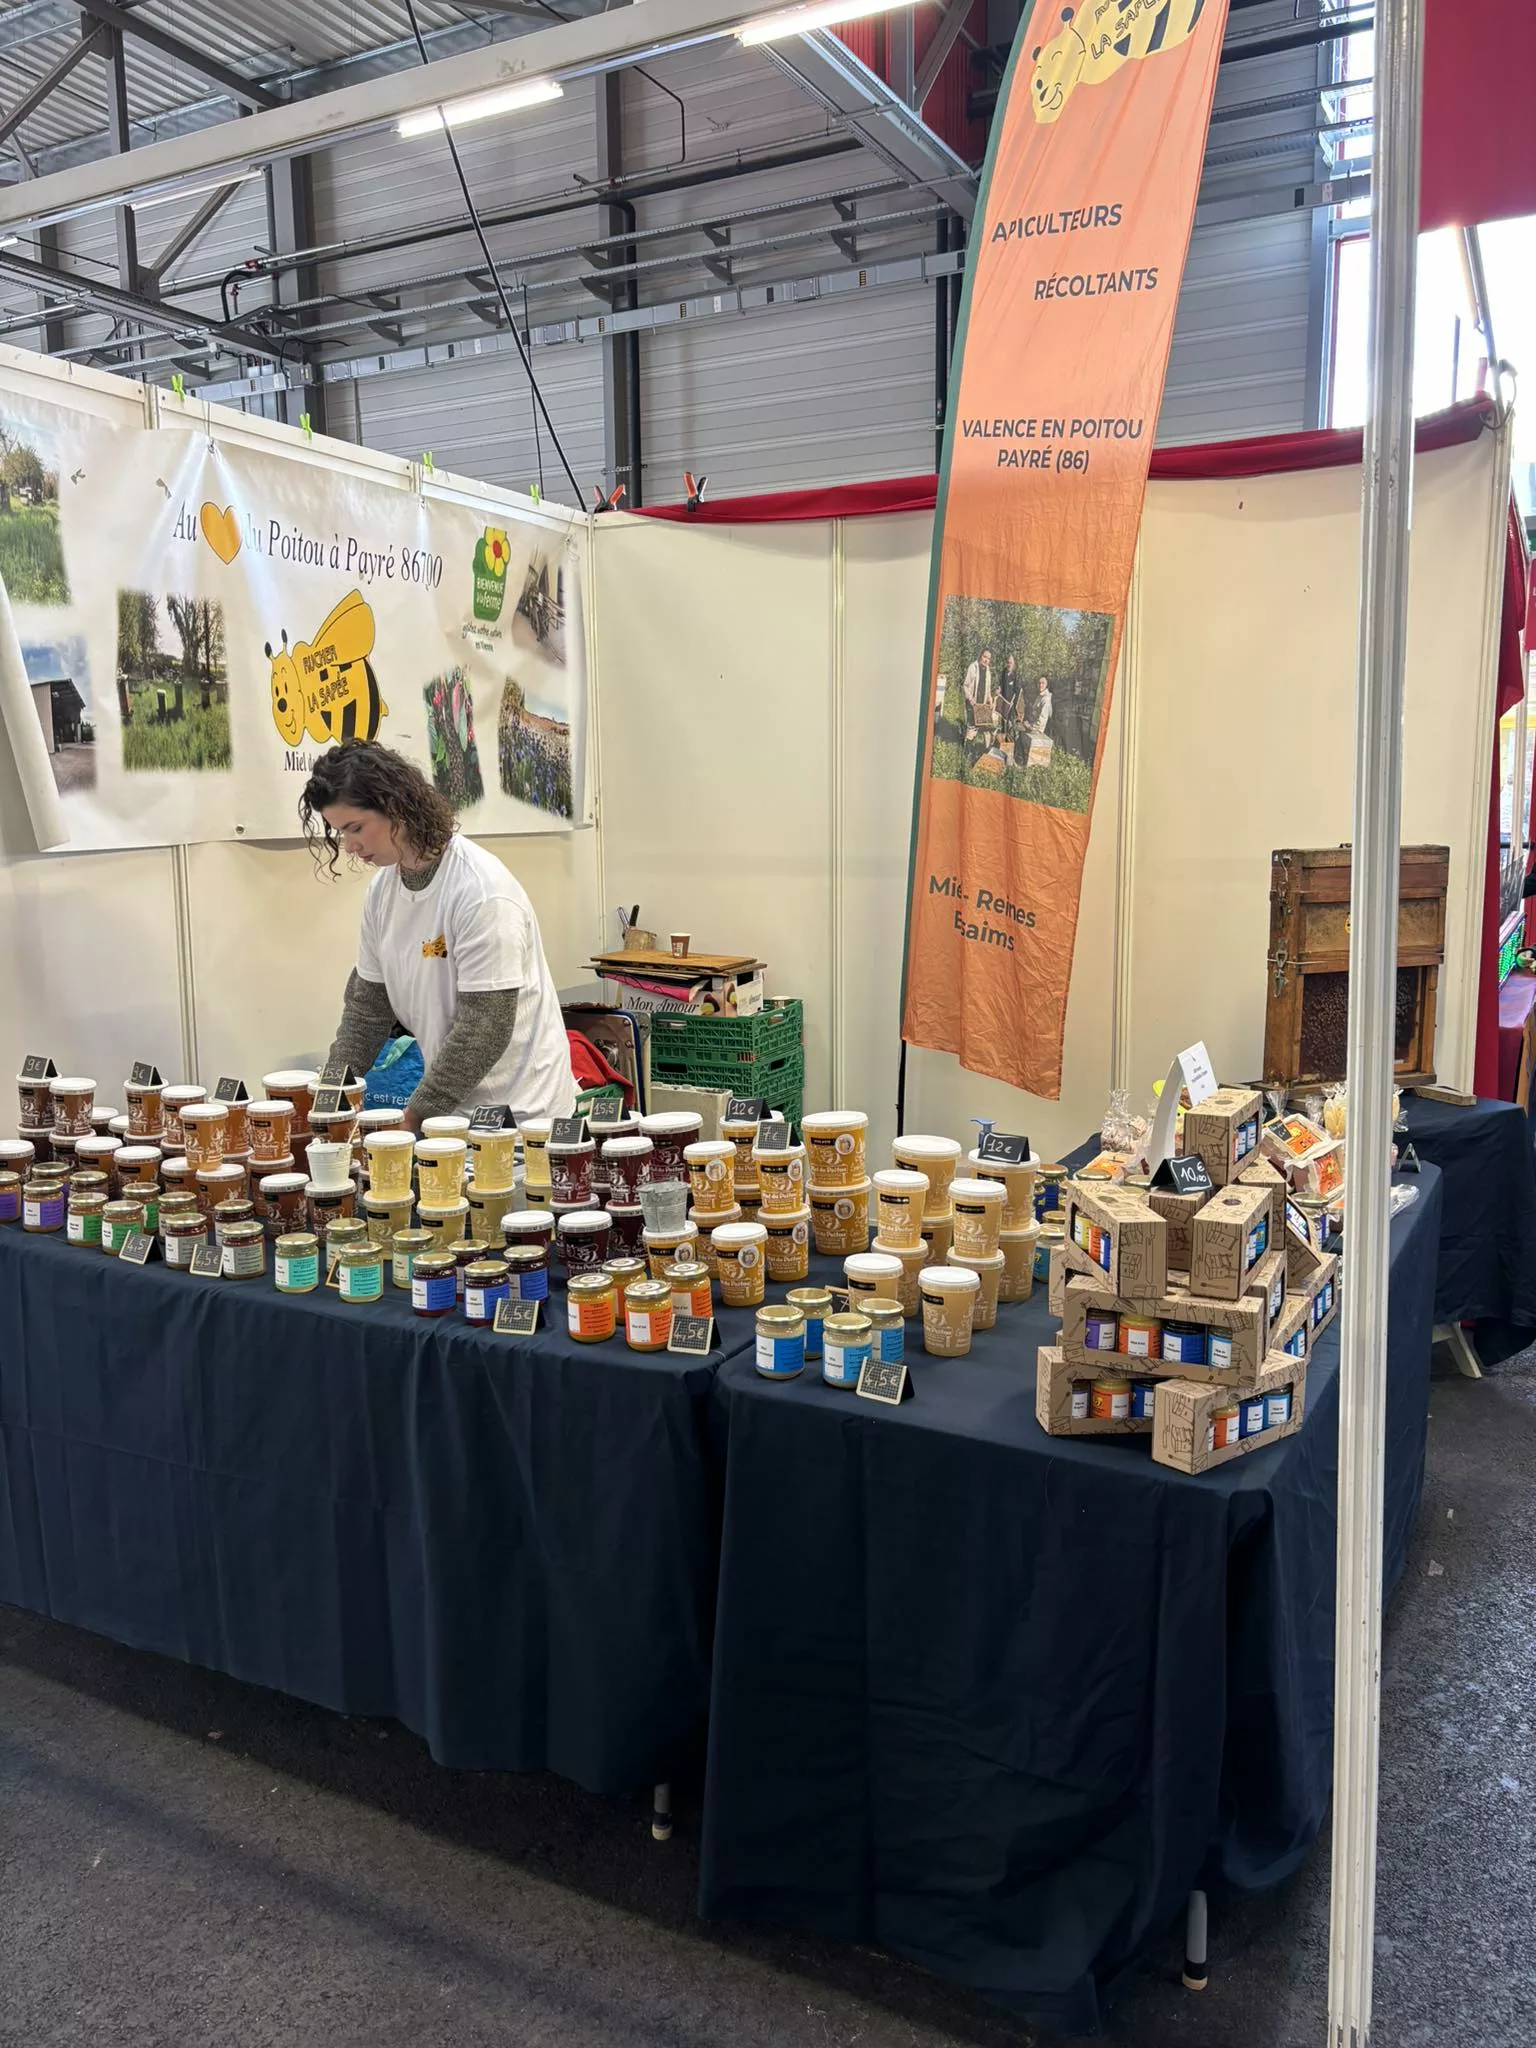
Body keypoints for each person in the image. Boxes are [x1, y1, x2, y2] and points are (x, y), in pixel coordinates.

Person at [299, 739, 576, 1130]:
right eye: (340, 833)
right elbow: (367, 1009)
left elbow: (485, 1027)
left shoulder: (480, 891)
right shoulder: (382, 892)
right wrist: (331, 1094)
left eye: (355, 828)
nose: (350, 846)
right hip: (450, 1112)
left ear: (395, 807)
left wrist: (415, 1117)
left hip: (521, 1114)